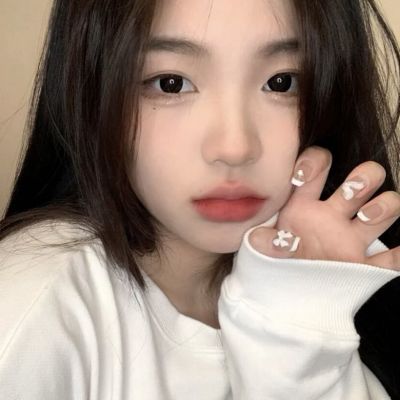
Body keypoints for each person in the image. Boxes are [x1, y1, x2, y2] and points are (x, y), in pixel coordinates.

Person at [0, 0, 399, 398]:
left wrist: (302, 317)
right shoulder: (33, 309)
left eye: (282, 82)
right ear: (90, 91)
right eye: (170, 83)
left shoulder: (317, 282)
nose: (235, 148)